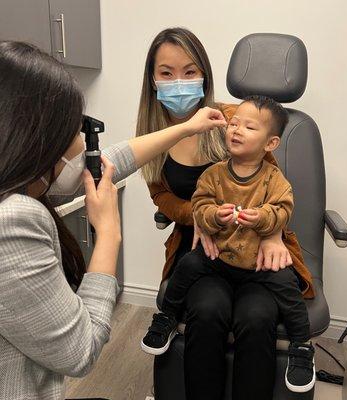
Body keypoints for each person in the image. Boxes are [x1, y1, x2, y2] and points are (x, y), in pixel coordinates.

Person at [0, 41, 226, 400]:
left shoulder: (15, 186)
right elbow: (79, 352)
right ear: (38, 137)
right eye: (75, 128)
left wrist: (186, 128)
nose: (81, 142)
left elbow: (106, 162)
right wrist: (108, 235)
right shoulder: (12, 219)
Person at [136, 27, 314, 400]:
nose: (178, 82)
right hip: (204, 254)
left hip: (257, 247)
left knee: (257, 317)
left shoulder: (233, 118)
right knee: (207, 310)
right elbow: (163, 201)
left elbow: (270, 181)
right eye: (166, 73)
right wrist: (200, 215)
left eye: (189, 71)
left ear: (204, 74)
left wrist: (271, 232)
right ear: (152, 80)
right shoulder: (151, 135)